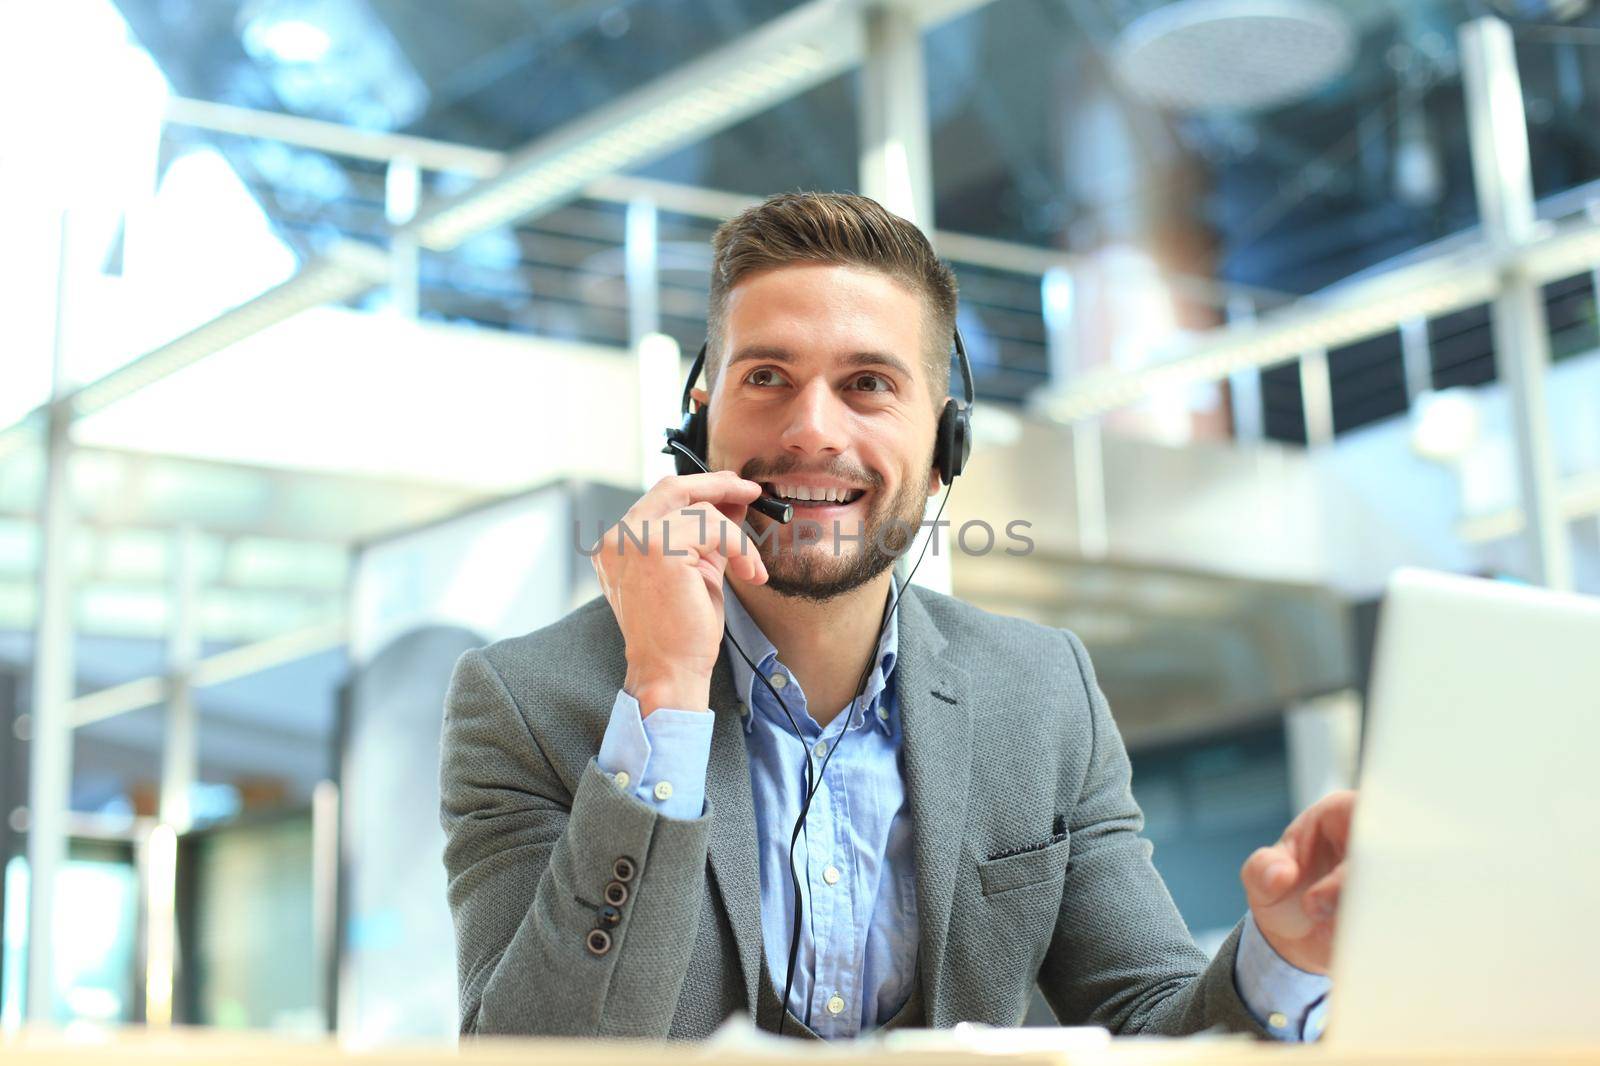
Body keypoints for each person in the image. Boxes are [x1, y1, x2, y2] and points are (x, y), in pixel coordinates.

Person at [438, 191, 1351, 1041]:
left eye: (868, 384)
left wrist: (1283, 957)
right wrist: (664, 696)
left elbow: (1147, 1021)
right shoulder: (526, 703)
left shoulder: (1040, 696)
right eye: (766, 377)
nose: (813, 432)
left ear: (946, 445)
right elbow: (531, 1052)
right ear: (696, 429)